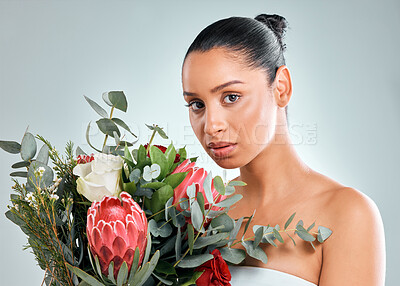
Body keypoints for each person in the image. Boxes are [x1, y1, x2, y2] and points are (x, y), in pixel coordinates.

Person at [181, 14, 386, 285]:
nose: (211, 125)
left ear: (281, 88)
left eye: (231, 97)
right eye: (197, 104)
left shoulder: (348, 215)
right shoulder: (197, 217)